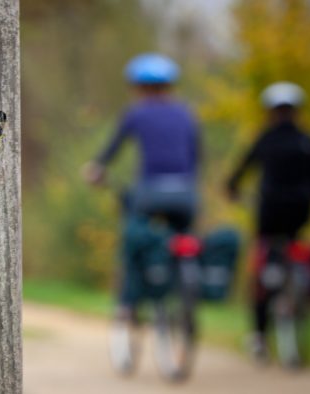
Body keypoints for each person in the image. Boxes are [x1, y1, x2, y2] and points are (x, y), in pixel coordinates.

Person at [83, 53, 200, 372]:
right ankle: (186, 290)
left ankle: (127, 304)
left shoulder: (136, 113)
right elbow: (195, 155)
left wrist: (96, 169)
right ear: (169, 86)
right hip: (187, 195)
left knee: (133, 241)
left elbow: (113, 148)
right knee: (184, 236)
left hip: (149, 193)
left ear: (138, 87)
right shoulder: (187, 114)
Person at [225, 81, 310, 362]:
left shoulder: (266, 138)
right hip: (300, 212)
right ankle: (298, 290)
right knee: (295, 247)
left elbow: (243, 169)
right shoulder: (308, 141)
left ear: (271, 111)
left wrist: (232, 188)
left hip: (269, 212)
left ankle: (258, 335)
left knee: (262, 266)